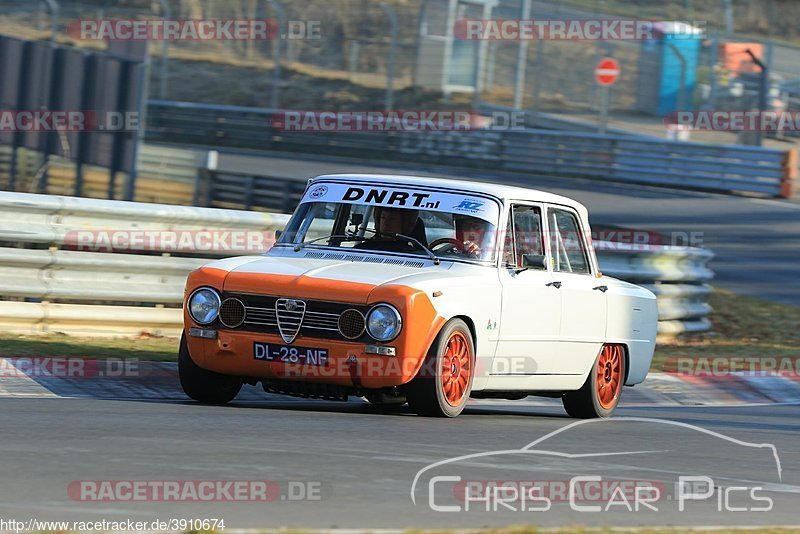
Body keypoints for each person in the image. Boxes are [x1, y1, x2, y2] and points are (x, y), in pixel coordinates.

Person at [355, 207, 422, 253]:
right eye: (383, 218)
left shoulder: (412, 254)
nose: (385, 223)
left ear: (404, 224)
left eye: (392, 219)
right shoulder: (362, 249)